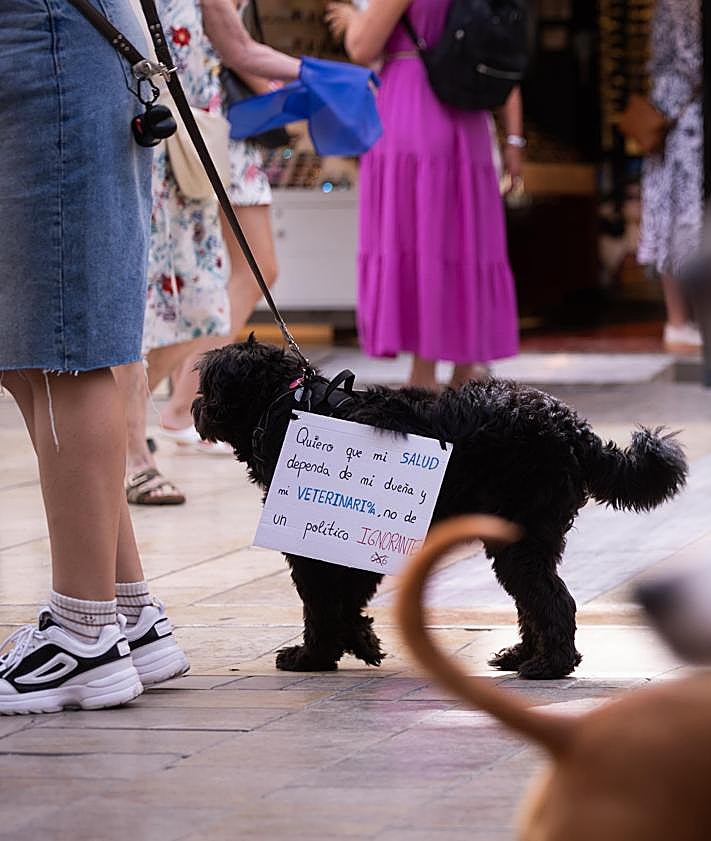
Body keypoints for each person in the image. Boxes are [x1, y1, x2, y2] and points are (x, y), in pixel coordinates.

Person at [0, 0, 188, 714]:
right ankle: (126, 612)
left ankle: (83, 635)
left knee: (63, 344)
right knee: (29, 346)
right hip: (46, 40)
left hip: (48, 37)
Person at [119, 0, 299, 503]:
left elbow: (228, 49)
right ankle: (131, 450)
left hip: (195, 148)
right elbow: (234, 47)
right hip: (156, 146)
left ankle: (120, 423)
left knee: (203, 308)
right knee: (151, 312)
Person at [326, 0, 520, 389]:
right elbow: (504, 53)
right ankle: (466, 366)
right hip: (469, 116)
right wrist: (515, 138)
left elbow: (363, 46)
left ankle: (423, 374)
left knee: (420, 236)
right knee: (464, 238)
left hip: (414, 104)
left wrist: (349, 19)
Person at [638, 0, 703, 354]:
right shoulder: (684, 5)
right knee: (684, 221)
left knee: (674, 221)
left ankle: (679, 321)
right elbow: (694, 60)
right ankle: (680, 321)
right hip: (684, 124)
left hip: (671, 117)